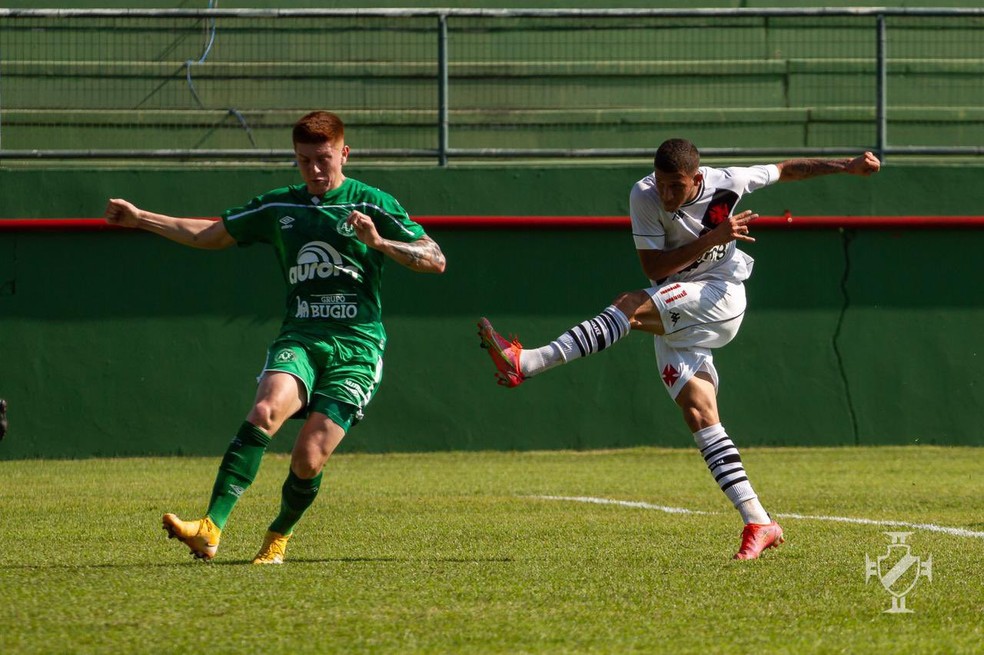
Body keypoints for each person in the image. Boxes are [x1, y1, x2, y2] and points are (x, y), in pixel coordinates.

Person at [478, 138, 880, 560]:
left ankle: (527, 361)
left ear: (697, 179)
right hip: (677, 306)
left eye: (677, 186)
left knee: (627, 307)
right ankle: (760, 521)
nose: (667, 194)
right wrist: (716, 236)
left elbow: (787, 168)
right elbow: (654, 268)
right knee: (700, 415)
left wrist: (847, 165)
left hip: (719, 296)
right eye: (662, 183)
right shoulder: (644, 194)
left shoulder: (728, 183)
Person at [105, 111, 446, 564]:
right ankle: (210, 528)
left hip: (357, 346)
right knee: (266, 408)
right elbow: (212, 233)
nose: (315, 170)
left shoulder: (373, 204)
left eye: (324, 159)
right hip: (301, 336)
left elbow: (434, 258)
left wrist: (379, 242)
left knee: (308, 458)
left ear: (344, 153)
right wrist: (141, 218)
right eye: (304, 160)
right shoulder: (281, 206)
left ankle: (278, 536)